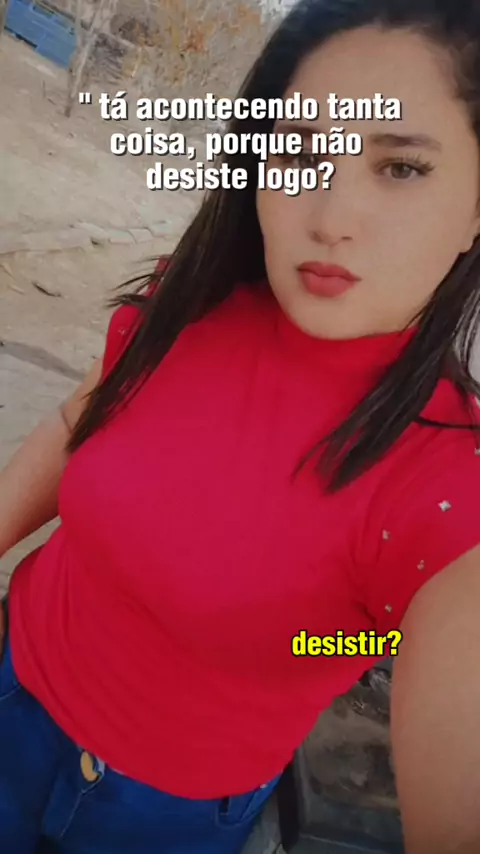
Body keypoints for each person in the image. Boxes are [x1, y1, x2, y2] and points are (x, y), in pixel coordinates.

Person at [1, 0, 480, 851]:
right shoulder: (186, 303)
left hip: (162, 816)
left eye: (401, 168)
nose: (331, 215)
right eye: (298, 154)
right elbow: (82, 419)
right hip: (12, 693)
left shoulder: (446, 482)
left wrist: (332, 640)